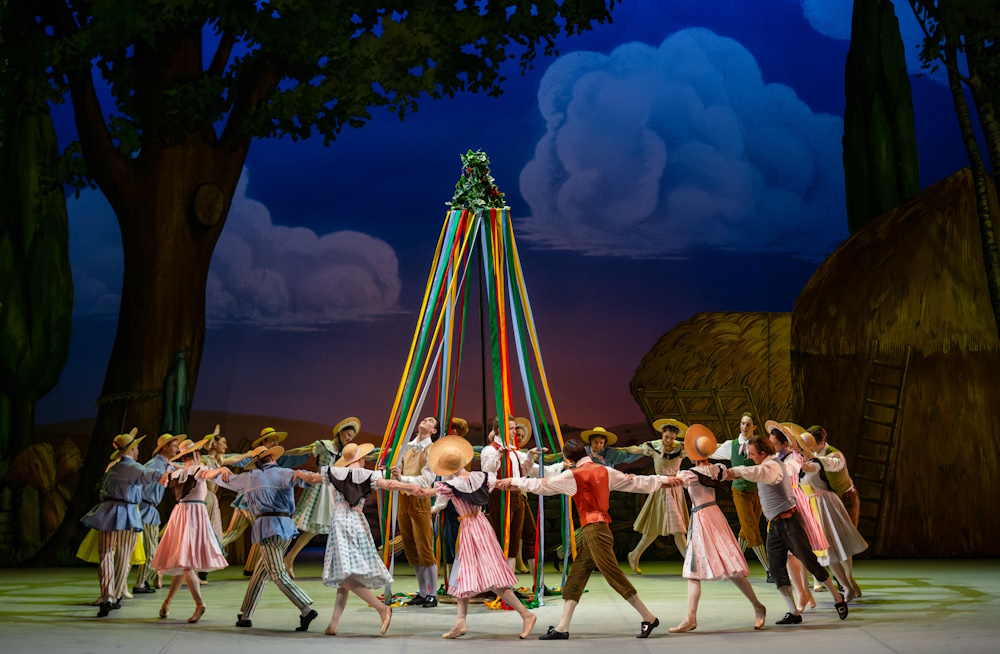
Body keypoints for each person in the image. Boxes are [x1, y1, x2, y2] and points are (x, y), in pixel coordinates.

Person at [498, 437, 665, 640]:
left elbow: (541, 485)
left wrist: (513, 481)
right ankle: (562, 627)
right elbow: (636, 482)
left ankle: (649, 618)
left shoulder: (572, 475)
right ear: (585, 452)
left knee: (614, 575)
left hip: (595, 531)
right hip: (596, 530)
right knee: (577, 577)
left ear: (569, 459)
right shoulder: (605, 470)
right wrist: (663, 481)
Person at [296, 441, 422, 636]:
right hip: (358, 522)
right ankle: (333, 623)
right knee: (343, 576)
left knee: (343, 574)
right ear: (361, 459)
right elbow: (389, 485)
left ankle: (382, 609)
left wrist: (297, 473)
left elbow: (311, 478)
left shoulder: (334, 472)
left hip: (341, 521)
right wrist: (410, 487)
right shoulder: (368, 475)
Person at [420, 435, 538, 639]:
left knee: (493, 579)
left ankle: (526, 614)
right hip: (478, 526)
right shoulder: (481, 477)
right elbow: (501, 484)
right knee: (463, 575)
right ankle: (460, 622)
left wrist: (396, 484)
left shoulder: (451, 485)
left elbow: (422, 492)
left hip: (473, 528)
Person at [724, 435, 849, 625]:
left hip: (789, 522)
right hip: (775, 526)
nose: (750, 457)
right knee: (776, 569)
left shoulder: (772, 466)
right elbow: (754, 471)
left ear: (763, 453)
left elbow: (756, 473)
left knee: (809, 561)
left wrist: (735, 471)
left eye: (752, 454)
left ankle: (837, 599)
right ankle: (793, 612)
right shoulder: (767, 464)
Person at [660, 424, 766, 633]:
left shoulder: (690, 474)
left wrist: (653, 481)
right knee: (722, 568)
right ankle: (754, 607)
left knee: (698, 570)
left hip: (703, 518)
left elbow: (671, 482)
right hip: (714, 516)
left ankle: (757, 606)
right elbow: (733, 474)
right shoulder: (717, 469)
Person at [214, 443, 321, 631]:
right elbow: (306, 478)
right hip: (286, 528)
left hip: (268, 529)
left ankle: (306, 609)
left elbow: (225, 480)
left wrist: (220, 469)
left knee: (277, 573)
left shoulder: (250, 477)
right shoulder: (284, 472)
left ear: (256, 462)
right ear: (272, 457)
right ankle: (246, 615)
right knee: (259, 574)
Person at [80, 429, 164, 617]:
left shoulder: (113, 467)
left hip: (107, 511)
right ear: (131, 449)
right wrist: (165, 475)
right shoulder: (131, 466)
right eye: (136, 447)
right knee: (123, 555)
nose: (138, 451)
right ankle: (114, 595)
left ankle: (108, 595)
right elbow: (148, 474)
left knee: (106, 554)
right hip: (126, 512)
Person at [152, 438, 230, 623]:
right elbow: (209, 474)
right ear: (195, 454)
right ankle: (199, 603)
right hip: (194, 515)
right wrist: (221, 470)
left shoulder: (176, 473)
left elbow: (169, 475)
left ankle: (167, 603)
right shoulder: (198, 470)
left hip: (182, 514)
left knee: (184, 563)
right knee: (186, 564)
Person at [222, 427, 311, 576]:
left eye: (276, 440)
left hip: (260, 508)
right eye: (271, 440)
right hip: (249, 504)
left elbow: (299, 455)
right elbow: (236, 459)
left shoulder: (280, 460)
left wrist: (311, 449)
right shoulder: (255, 457)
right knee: (237, 533)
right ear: (263, 442)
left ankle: (250, 569)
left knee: (260, 536)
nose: (275, 442)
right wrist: (220, 461)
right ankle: (208, 555)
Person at [482, 416, 563, 580]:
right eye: (512, 428)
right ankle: (502, 585)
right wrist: (498, 454)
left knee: (518, 541)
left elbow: (530, 471)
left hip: (518, 495)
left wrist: (560, 464)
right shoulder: (490, 450)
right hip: (501, 495)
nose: (515, 432)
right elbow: (488, 471)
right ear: (500, 430)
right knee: (504, 540)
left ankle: (520, 584)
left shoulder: (514, 451)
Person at [284, 416, 362, 578]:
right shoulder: (324, 445)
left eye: (352, 437)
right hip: (319, 488)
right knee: (299, 525)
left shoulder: (345, 452)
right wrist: (281, 455)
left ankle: (290, 558)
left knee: (324, 528)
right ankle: (277, 557)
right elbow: (302, 451)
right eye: (348, 435)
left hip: (333, 490)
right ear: (340, 432)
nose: (349, 439)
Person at [766, 422, 827, 613]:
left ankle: (805, 592)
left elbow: (788, 470)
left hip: (794, 501)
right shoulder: (775, 457)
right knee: (790, 554)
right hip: (780, 502)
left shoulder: (793, 458)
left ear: (784, 444)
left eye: (774, 444)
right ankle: (803, 592)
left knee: (799, 551)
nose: (771, 446)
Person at [798, 429, 867, 601]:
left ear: (819, 444)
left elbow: (827, 464)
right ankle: (845, 584)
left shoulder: (827, 458)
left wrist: (804, 460)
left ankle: (848, 582)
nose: (804, 450)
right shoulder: (807, 459)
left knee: (842, 542)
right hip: (814, 508)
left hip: (834, 502)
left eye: (807, 447)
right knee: (825, 549)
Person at [708, 413, 771, 580]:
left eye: (748, 424)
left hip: (757, 491)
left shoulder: (757, 445)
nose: (744, 427)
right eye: (742, 423)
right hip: (739, 492)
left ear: (754, 427)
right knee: (752, 529)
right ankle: (769, 569)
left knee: (746, 529)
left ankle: (734, 566)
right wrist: (688, 449)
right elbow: (710, 452)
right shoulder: (731, 445)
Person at [389, 416, 440, 606]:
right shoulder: (407, 446)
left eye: (430, 421)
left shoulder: (432, 449)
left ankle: (432, 594)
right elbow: (399, 470)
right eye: (425, 418)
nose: (426, 420)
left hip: (420, 499)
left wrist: (402, 479)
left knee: (424, 546)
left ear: (434, 431)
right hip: (403, 499)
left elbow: (426, 480)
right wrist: (394, 474)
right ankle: (423, 591)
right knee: (411, 548)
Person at [628, 418, 689, 574]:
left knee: (660, 528)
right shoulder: (654, 446)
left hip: (675, 490)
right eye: (666, 437)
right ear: (662, 433)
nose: (668, 440)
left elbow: (701, 449)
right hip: (661, 488)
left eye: (672, 438)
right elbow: (635, 450)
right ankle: (691, 565)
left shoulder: (680, 447)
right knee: (674, 529)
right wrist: (615, 450)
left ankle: (635, 554)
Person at [131, 433, 181, 594]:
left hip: (149, 509)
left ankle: (142, 581)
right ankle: (140, 583)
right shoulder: (155, 465)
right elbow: (138, 484)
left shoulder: (165, 464)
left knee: (151, 549)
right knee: (150, 550)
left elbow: (179, 467)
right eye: (175, 446)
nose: (177, 449)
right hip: (145, 509)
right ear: (165, 447)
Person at [807, 425, 861, 528]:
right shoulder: (814, 452)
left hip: (847, 499)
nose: (809, 447)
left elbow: (829, 463)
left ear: (822, 443)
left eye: (811, 445)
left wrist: (814, 458)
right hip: (833, 500)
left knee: (848, 533)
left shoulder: (835, 456)